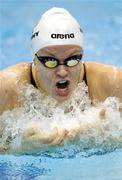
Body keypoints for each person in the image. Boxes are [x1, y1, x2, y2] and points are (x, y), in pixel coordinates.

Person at [0, 7, 122, 115]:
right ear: (35, 60)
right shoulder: (7, 90)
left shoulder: (112, 84)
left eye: (72, 59)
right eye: (50, 61)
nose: (62, 72)